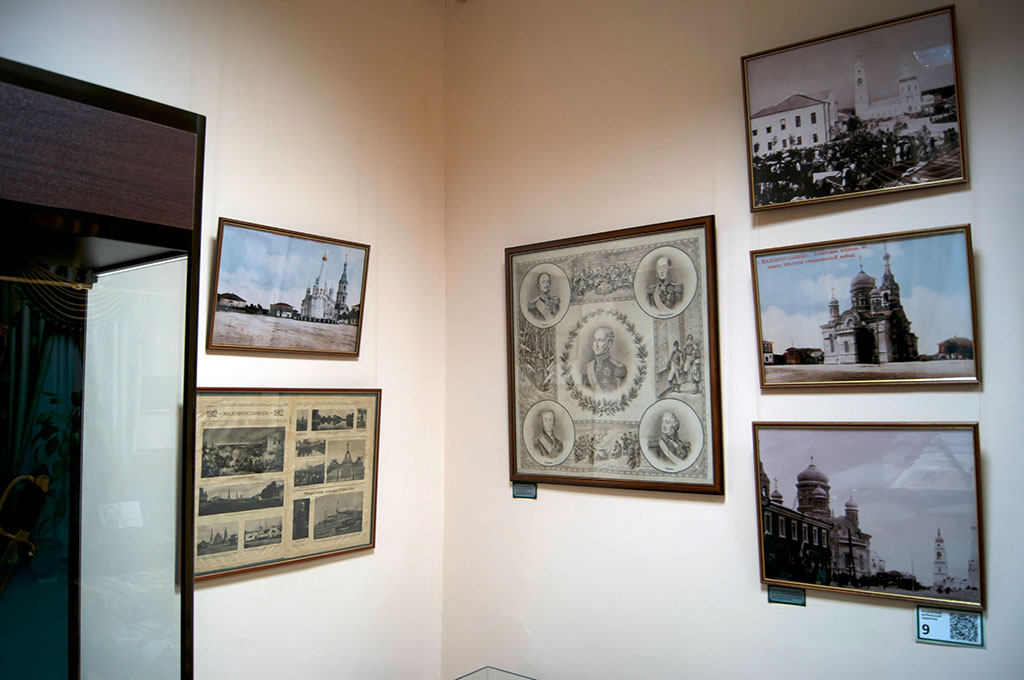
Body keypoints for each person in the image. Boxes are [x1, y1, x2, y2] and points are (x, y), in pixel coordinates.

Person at [581, 325, 626, 392]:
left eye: (601, 340)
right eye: (595, 340)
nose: (596, 345)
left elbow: (620, 394)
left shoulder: (618, 368)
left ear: (609, 344)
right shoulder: (588, 367)